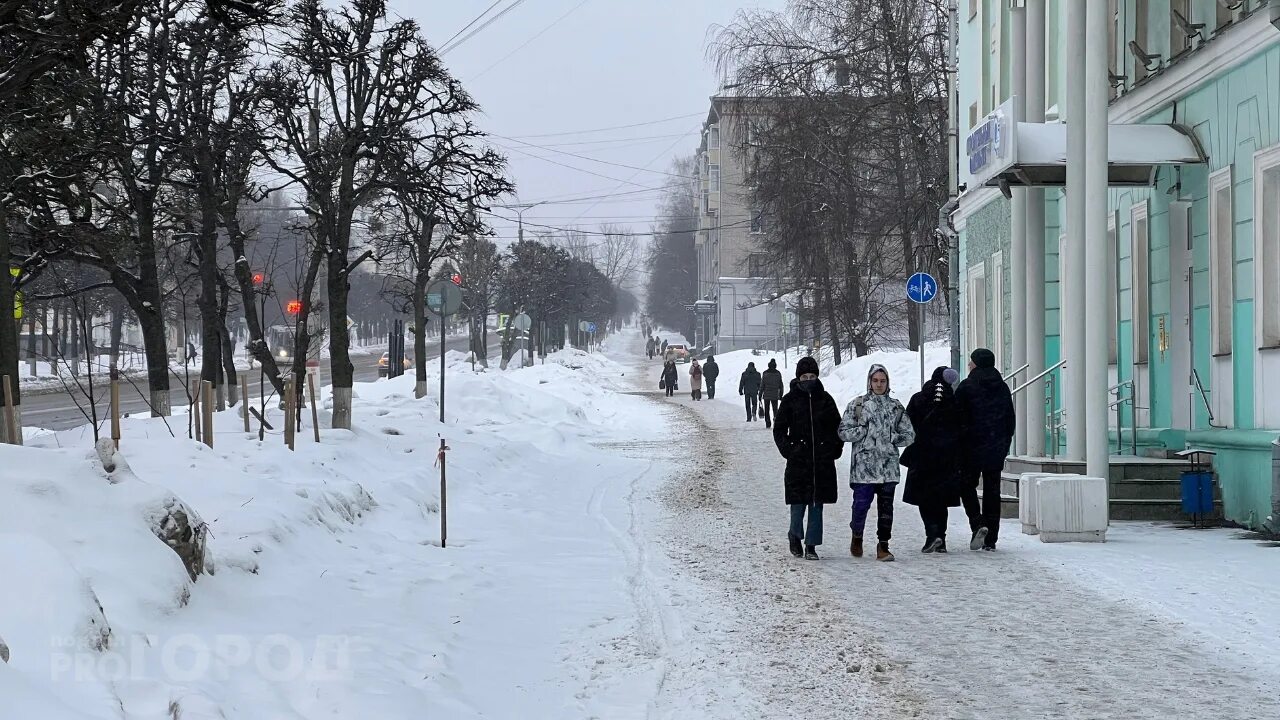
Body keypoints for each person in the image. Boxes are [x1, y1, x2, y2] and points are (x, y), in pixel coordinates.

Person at [838, 364, 914, 561]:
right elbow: (843, 432)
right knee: (861, 505)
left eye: (883, 381)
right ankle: (857, 534)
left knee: (886, 509)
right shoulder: (858, 405)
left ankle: (883, 545)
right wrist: (862, 431)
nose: (879, 384)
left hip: (888, 467)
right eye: (875, 380)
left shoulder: (895, 407)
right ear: (869, 382)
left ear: (888, 382)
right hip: (864, 468)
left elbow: (910, 435)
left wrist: (894, 438)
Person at [772, 356, 843, 560]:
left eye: (812, 376)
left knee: (816, 504)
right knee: (798, 504)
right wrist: (789, 449)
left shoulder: (826, 399)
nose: (808, 379)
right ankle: (794, 535)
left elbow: (836, 428)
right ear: (798, 378)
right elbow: (779, 429)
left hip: (821, 462)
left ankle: (811, 544)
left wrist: (833, 448)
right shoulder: (789, 400)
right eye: (805, 376)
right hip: (798, 461)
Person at [955, 348, 1016, 551]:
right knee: (992, 491)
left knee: (966, 486)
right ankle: (991, 539)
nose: (969, 365)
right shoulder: (1002, 387)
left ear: (976, 364)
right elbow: (1010, 419)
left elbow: (958, 419)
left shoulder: (966, 387)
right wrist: (1004, 443)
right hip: (995, 447)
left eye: (971, 362)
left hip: (971, 448)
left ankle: (978, 523)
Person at [902, 367, 965, 554]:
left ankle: (932, 534)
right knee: (940, 500)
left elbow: (907, 424)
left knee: (925, 499)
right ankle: (941, 539)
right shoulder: (953, 400)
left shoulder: (918, 398)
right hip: (946, 458)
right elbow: (962, 427)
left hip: (923, 456)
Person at [760, 358, 785, 428]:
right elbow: (781, 385)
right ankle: (776, 421)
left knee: (767, 410)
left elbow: (762, 385)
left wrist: (760, 394)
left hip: (766, 395)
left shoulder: (765, 373)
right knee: (775, 409)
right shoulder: (778, 373)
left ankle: (768, 423)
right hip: (775, 395)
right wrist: (781, 394)